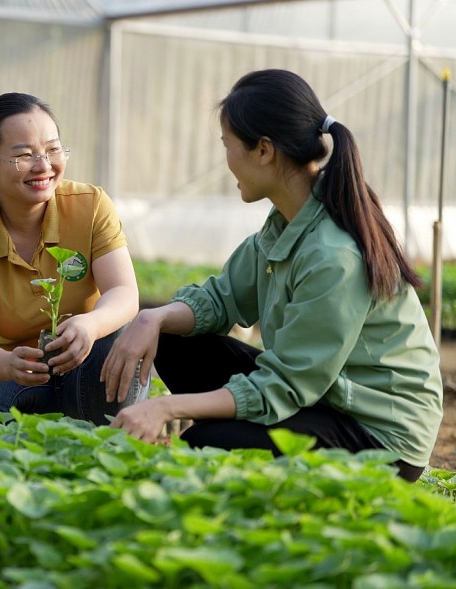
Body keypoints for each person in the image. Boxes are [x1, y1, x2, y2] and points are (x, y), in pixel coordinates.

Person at [101, 69, 443, 482]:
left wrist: (168, 406)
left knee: (207, 442)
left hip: (377, 436)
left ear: (264, 150)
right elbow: (220, 299)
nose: (226, 159)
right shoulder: (285, 224)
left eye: (228, 146)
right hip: (321, 398)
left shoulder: (333, 256)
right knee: (173, 337)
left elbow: (286, 385)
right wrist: (151, 318)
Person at [0, 92, 145, 425]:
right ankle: (74, 420)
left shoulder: (91, 205)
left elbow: (124, 294)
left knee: (117, 341)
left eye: (52, 150)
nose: (44, 166)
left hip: (90, 364)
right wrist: (9, 365)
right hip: (23, 377)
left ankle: (93, 422)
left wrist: (89, 325)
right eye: (24, 155)